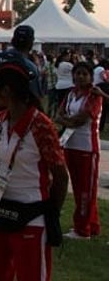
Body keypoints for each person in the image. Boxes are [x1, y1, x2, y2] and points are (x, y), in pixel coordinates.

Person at [0, 59, 68, 281]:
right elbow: (0, 165)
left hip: (31, 217)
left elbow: (60, 175)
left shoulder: (40, 125)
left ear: (7, 91)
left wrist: (51, 212)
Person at [54, 62, 102, 239]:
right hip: (70, 145)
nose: (80, 77)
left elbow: (82, 119)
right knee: (77, 187)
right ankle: (92, 224)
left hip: (87, 147)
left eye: (84, 74)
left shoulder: (94, 95)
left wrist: (67, 121)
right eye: (78, 73)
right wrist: (68, 121)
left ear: (90, 77)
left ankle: (82, 229)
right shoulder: (70, 94)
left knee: (86, 190)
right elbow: (58, 114)